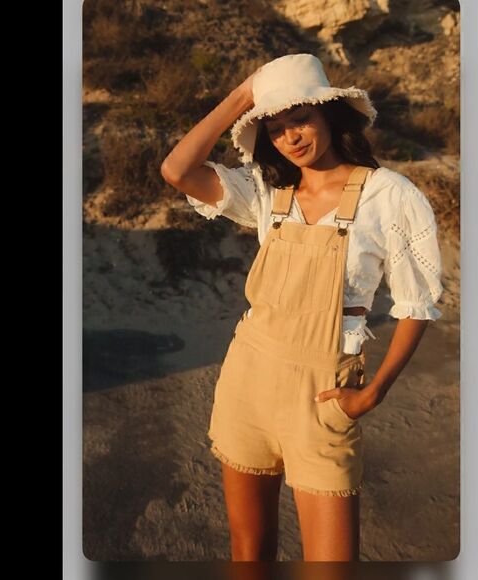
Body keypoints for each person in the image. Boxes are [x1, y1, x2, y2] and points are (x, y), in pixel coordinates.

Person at [161, 53, 443, 562]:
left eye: (301, 119)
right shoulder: (268, 191)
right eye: (275, 128)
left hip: (324, 398)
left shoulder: (390, 196)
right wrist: (244, 94)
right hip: (248, 383)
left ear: (329, 115)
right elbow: (177, 169)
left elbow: (417, 304)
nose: (290, 137)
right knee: (249, 554)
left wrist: (374, 391)